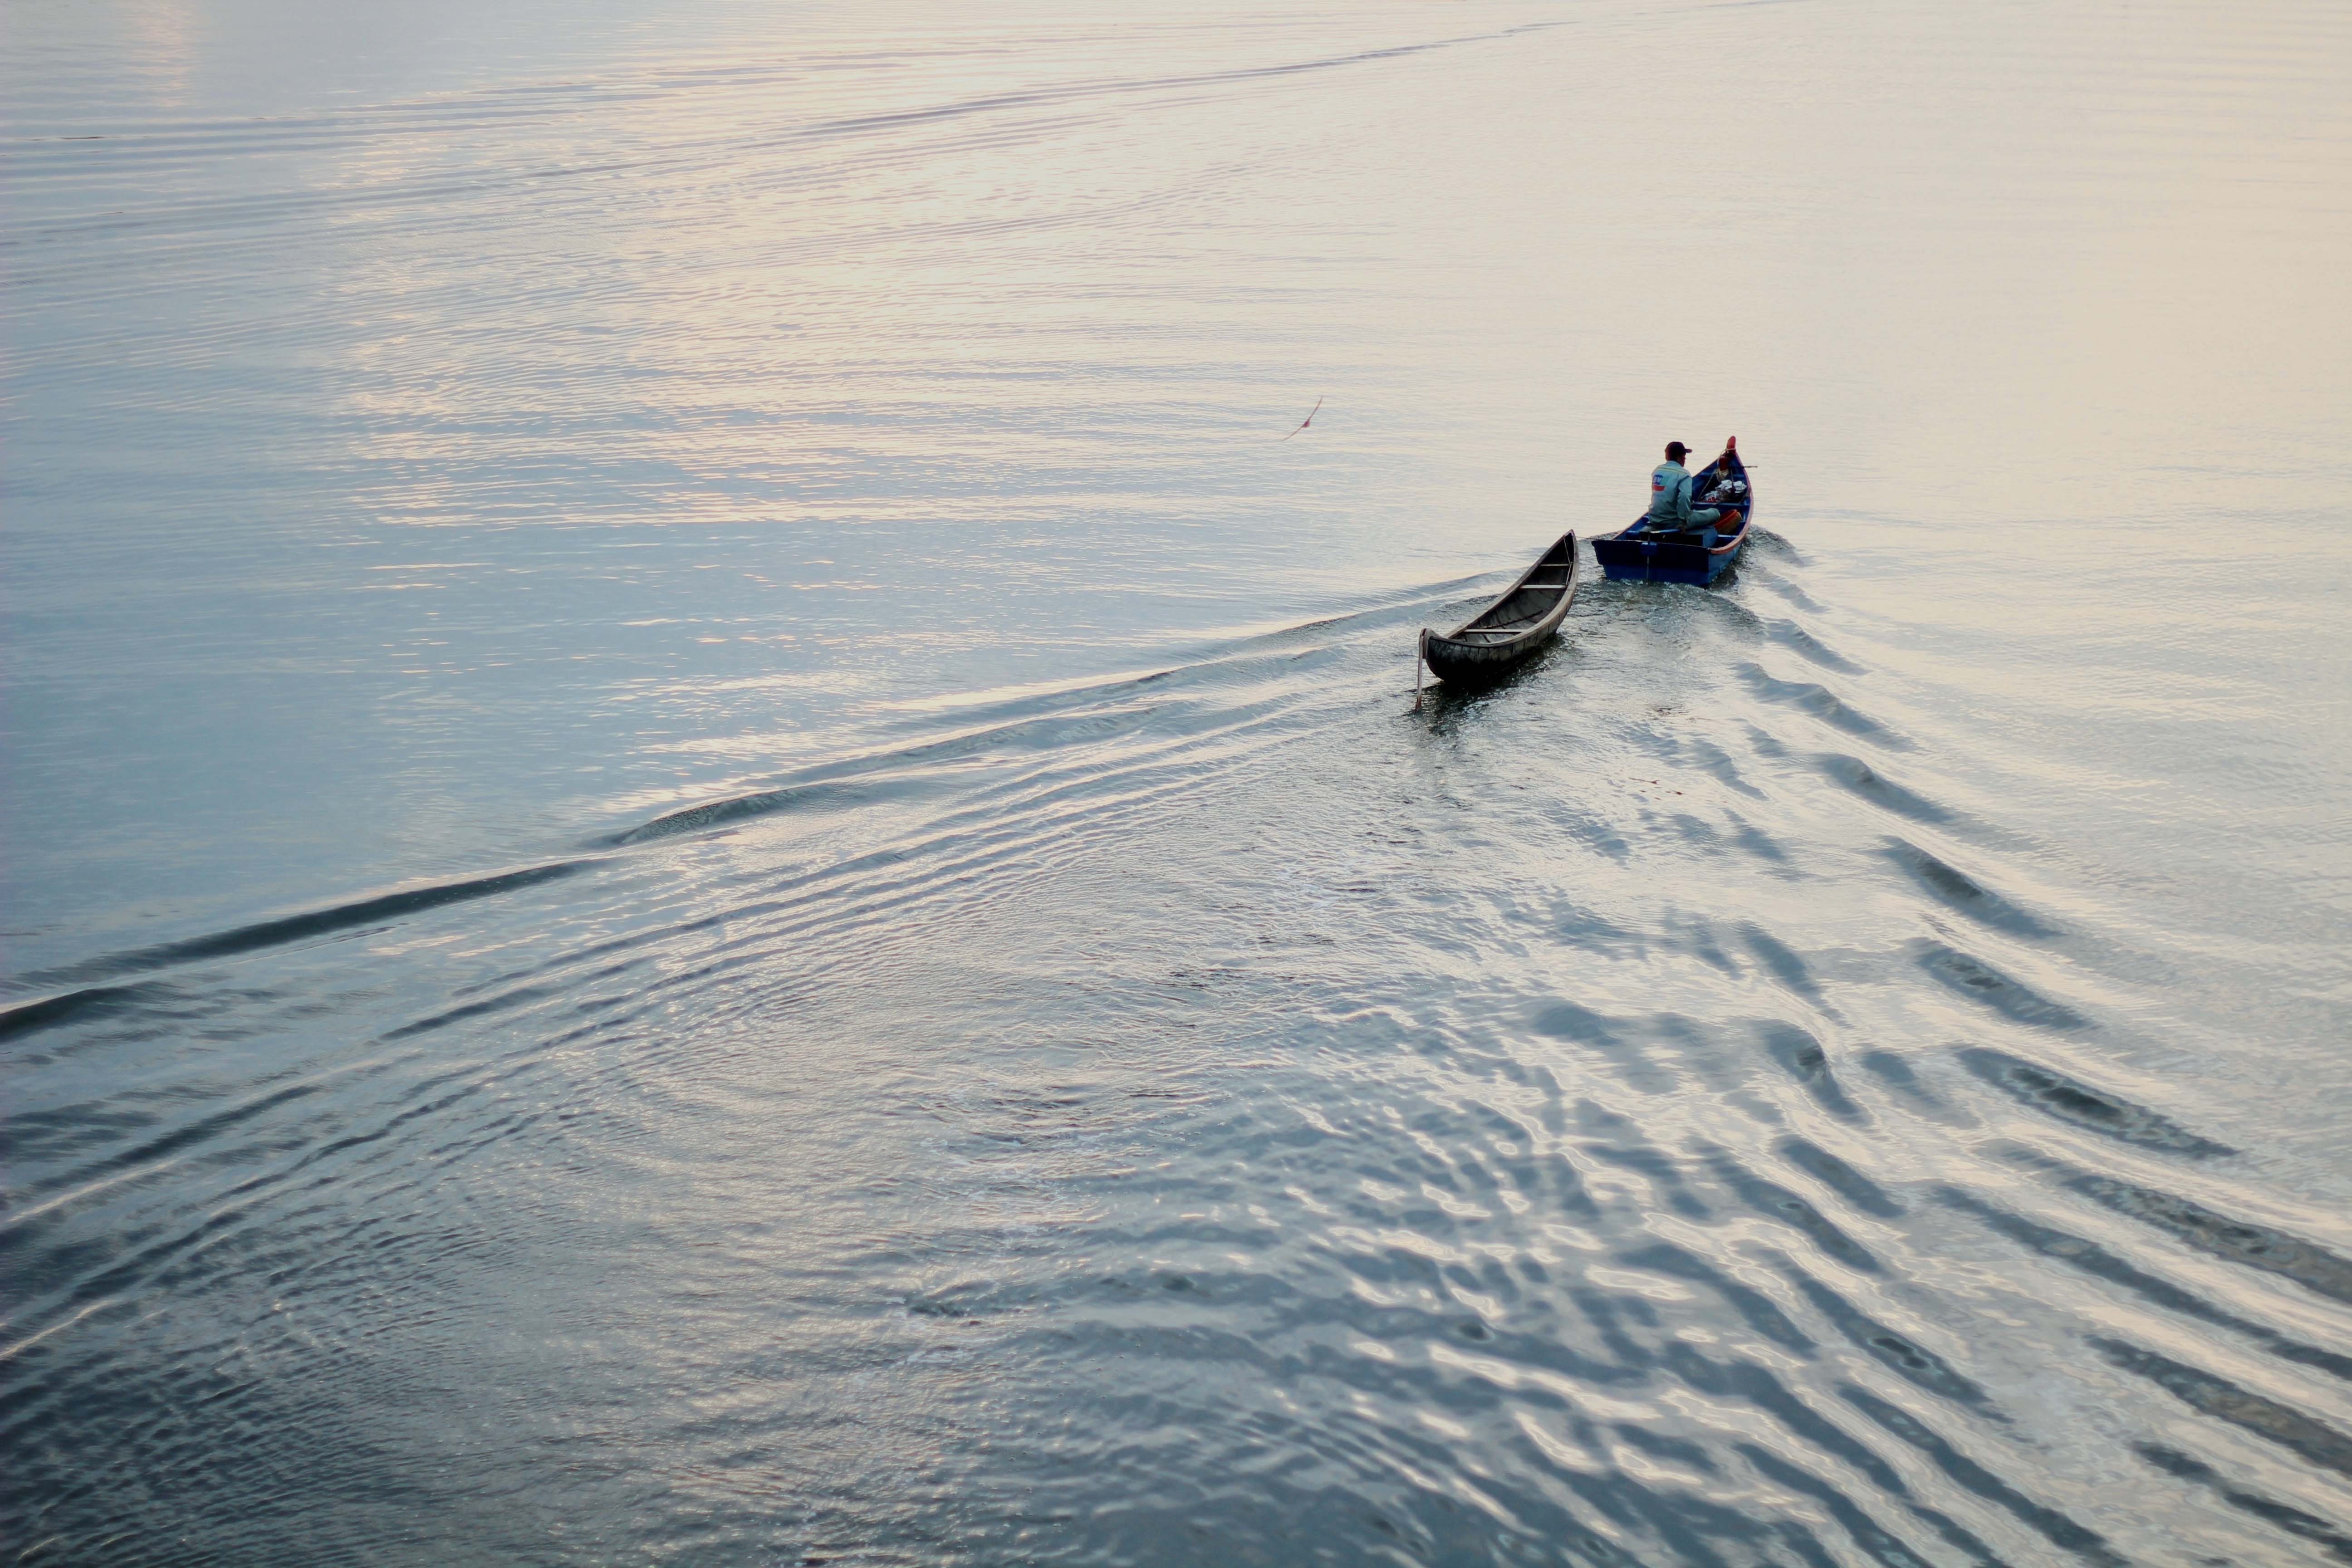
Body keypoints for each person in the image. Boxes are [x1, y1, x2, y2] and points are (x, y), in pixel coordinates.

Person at [1645, 440, 1742, 533]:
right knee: (1715, 513)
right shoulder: (1684, 474)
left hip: (1654, 519)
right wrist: (1683, 522)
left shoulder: (1657, 471)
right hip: (1673, 523)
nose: (1685, 459)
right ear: (1679, 457)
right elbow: (1684, 497)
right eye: (1684, 456)